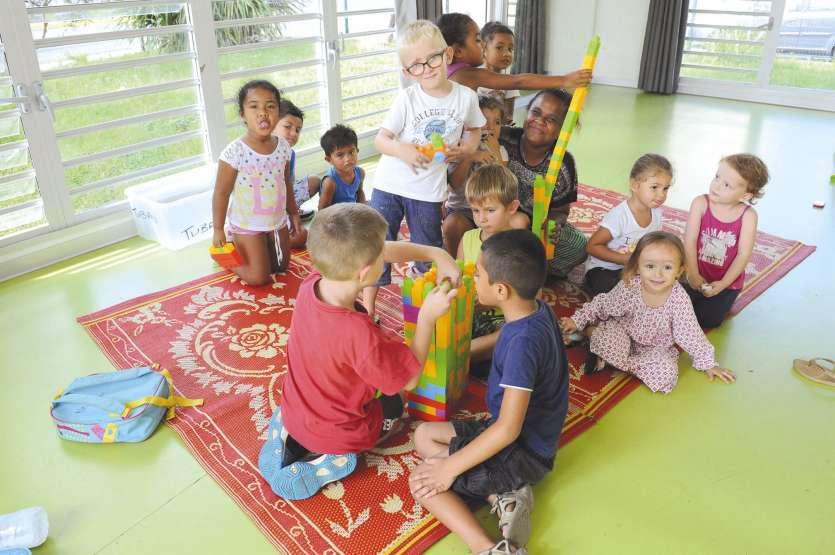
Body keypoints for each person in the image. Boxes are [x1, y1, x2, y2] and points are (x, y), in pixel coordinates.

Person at [258, 203, 461, 500]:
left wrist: (436, 253)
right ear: (366, 272)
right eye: (382, 257)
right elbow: (410, 380)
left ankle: (290, 437)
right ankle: (327, 458)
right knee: (395, 402)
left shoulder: (311, 284)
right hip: (343, 431)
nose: (385, 257)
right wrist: (427, 317)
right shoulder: (360, 334)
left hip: (296, 409)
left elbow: (376, 250)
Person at [409, 229, 568, 555]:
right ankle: (504, 497)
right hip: (522, 434)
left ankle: (489, 549)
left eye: (478, 273)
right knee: (424, 435)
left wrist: (448, 469)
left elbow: (508, 429)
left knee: (423, 482)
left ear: (500, 289)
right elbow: (502, 338)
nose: (474, 279)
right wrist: (458, 353)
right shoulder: (534, 310)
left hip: (524, 451)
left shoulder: (523, 345)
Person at [363, 20, 485, 318]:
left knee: (427, 249)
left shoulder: (465, 97)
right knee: (377, 245)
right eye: (416, 64)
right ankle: (367, 309)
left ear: (448, 55)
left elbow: (475, 129)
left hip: (428, 192)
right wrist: (401, 149)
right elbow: (381, 140)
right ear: (407, 72)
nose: (427, 68)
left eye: (433, 57)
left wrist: (468, 148)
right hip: (389, 187)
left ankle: (428, 310)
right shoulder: (407, 99)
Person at [560, 232, 737, 394]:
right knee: (610, 339)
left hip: (654, 348)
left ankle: (608, 358)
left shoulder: (679, 298)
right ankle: (590, 332)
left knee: (667, 373)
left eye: (667, 267)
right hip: (622, 332)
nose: (658, 274)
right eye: (650, 266)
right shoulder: (631, 286)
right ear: (637, 266)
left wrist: (707, 363)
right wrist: (579, 320)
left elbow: (690, 333)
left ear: (679, 270)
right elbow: (603, 304)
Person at [212, 80, 301, 286]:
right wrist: (217, 229)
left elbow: (285, 182)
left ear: (278, 112)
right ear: (243, 114)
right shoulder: (234, 152)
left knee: (280, 265)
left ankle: (260, 249)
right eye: (254, 107)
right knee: (258, 277)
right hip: (247, 225)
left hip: (276, 221)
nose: (263, 113)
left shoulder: (284, 147)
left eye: (270, 106)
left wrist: (293, 213)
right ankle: (227, 257)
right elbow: (221, 193)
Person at [500, 88, 586, 278]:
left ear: (563, 131)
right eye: (536, 112)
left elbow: (562, 211)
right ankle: (523, 269)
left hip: (535, 228)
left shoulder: (564, 164)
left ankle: (528, 269)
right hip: (497, 221)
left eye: (552, 119)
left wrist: (554, 223)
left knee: (579, 246)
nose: (540, 121)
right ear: (527, 112)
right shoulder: (504, 139)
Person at [683, 154, 769, 328]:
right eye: (717, 177)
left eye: (727, 185)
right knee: (672, 309)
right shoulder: (700, 203)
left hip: (727, 283)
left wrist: (723, 284)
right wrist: (692, 274)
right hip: (693, 274)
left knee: (707, 321)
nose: (716, 185)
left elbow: (743, 254)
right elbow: (689, 241)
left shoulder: (748, 216)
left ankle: (722, 299)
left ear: (745, 195)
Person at [457, 164, 519, 371]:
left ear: (511, 207)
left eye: (490, 210)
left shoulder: (520, 245)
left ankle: (470, 355)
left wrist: (489, 300)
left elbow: (528, 300)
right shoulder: (467, 239)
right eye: (475, 210)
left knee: (513, 336)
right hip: (470, 314)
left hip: (504, 319)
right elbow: (460, 280)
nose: (481, 218)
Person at [584, 154, 673, 297]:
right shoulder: (619, 216)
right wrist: (624, 259)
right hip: (604, 270)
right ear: (635, 185)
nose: (661, 195)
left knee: (666, 285)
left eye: (666, 188)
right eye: (655, 187)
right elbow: (592, 246)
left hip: (632, 270)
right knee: (627, 294)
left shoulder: (656, 213)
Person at [436, 13, 591, 93]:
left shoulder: (444, 72)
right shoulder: (467, 74)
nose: (482, 44)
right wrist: (564, 80)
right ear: (458, 51)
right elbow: (518, 81)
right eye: (477, 40)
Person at [444, 95, 509, 256]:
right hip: (462, 210)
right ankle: (455, 264)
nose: (491, 127)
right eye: (485, 121)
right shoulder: (460, 149)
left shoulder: (501, 151)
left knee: (515, 224)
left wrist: (494, 152)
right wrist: (470, 157)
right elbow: (454, 185)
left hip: (492, 210)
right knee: (453, 225)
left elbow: (504, 186)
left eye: (497, 122)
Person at [274, 99, 320, 249]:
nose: (293, 133)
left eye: (298, 130)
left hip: (283, 201)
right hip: (262, 208)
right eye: (288, 127)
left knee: (315, 181)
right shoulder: (261, 154)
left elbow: (289, 183)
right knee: (300, 238)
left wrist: (292, 208)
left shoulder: (290, 153)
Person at [476, 21, 519, 124]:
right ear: (483, 49)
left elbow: (508, 116)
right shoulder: (474, 76)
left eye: (510, 49)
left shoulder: (510, 82)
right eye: (499, 48)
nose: (507, 54)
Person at [319, 123, 366, 208]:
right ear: (329, 160)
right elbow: (322, 211)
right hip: (336, 217)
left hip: (353, 212)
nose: (348, 159)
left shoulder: (360, 173)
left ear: (357, 151)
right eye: (340, 155)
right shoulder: (330, 182)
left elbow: (360, 193)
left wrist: (364, 210)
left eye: (351, 152)